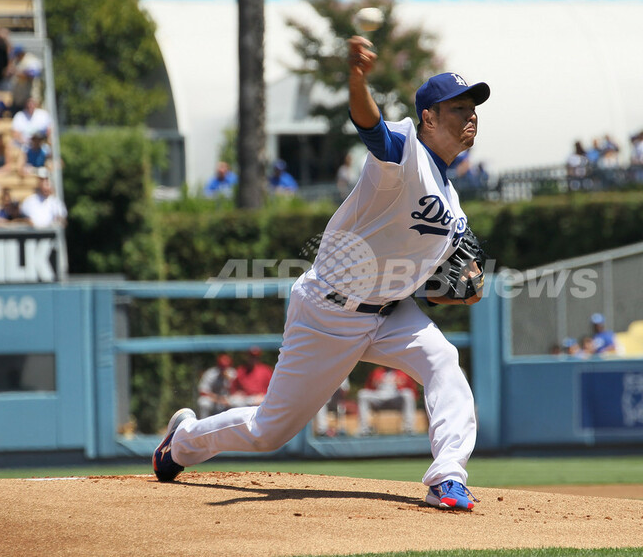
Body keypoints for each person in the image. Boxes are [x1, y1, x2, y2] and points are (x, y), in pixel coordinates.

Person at [153, 35, 489, 512]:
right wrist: (356, 78)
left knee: (443, 362)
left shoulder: (454, 206)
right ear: (429, 117)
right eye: (458, 107)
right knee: (269, 430)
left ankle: (447, 477)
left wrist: (459, 289)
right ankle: (183, 441)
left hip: (390, 313)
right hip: (328, 311)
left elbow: (434, 284)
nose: (471, 115)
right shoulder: (405, 152)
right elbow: (370, 126)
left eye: (473, 108)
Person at [357, 366, 419, 436]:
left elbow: (413, 390)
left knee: (407, 393)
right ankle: (364, 429)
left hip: (395, 398)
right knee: (362, 394)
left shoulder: (403, 371)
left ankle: (409, 428)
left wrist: (400, 383)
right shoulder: (377, 371)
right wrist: (376, 383)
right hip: (379, 399)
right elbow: (368, 387)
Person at [196, 354, 236, 419]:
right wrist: (218, 399)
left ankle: (237, 423)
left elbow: (238, 390)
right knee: (203, 402)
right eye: (222, 366)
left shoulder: (233, 374)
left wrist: (230, 380)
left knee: (238, 402)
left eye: (225, 366)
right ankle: (203, 423)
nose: (223, 368)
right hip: (213, 400)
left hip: (228, 399)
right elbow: (203, 392)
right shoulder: (210, 374)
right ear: (218, 365)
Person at [9, 45, 42, 114]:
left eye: (17, 55)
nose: (16, 57)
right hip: (19, 100)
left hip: (30, 101)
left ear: (21, 53)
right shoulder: (17, 61)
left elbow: (33, 74)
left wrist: (18, 73)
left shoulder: (30, 60)